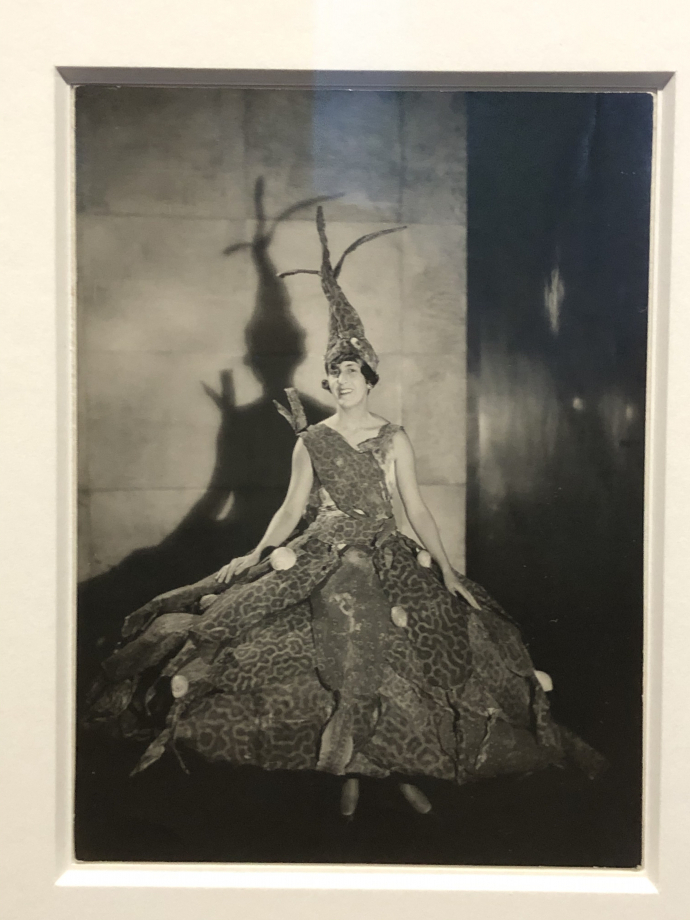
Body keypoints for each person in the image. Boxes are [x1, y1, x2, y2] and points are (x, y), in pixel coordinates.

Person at [85, 208, 604, 817]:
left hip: (389, 553)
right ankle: (346, 768)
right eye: (335, 373)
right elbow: (288, 509)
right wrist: (253, 554)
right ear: (328, 384)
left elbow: (415, 510)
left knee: (411, 657)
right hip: (320, 553)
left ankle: (393, 765)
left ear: (370, 378)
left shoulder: (394, 437)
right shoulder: (310, 439)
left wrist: (449, 573)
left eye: (352, 371)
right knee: (320, 655)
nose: (343, 380)